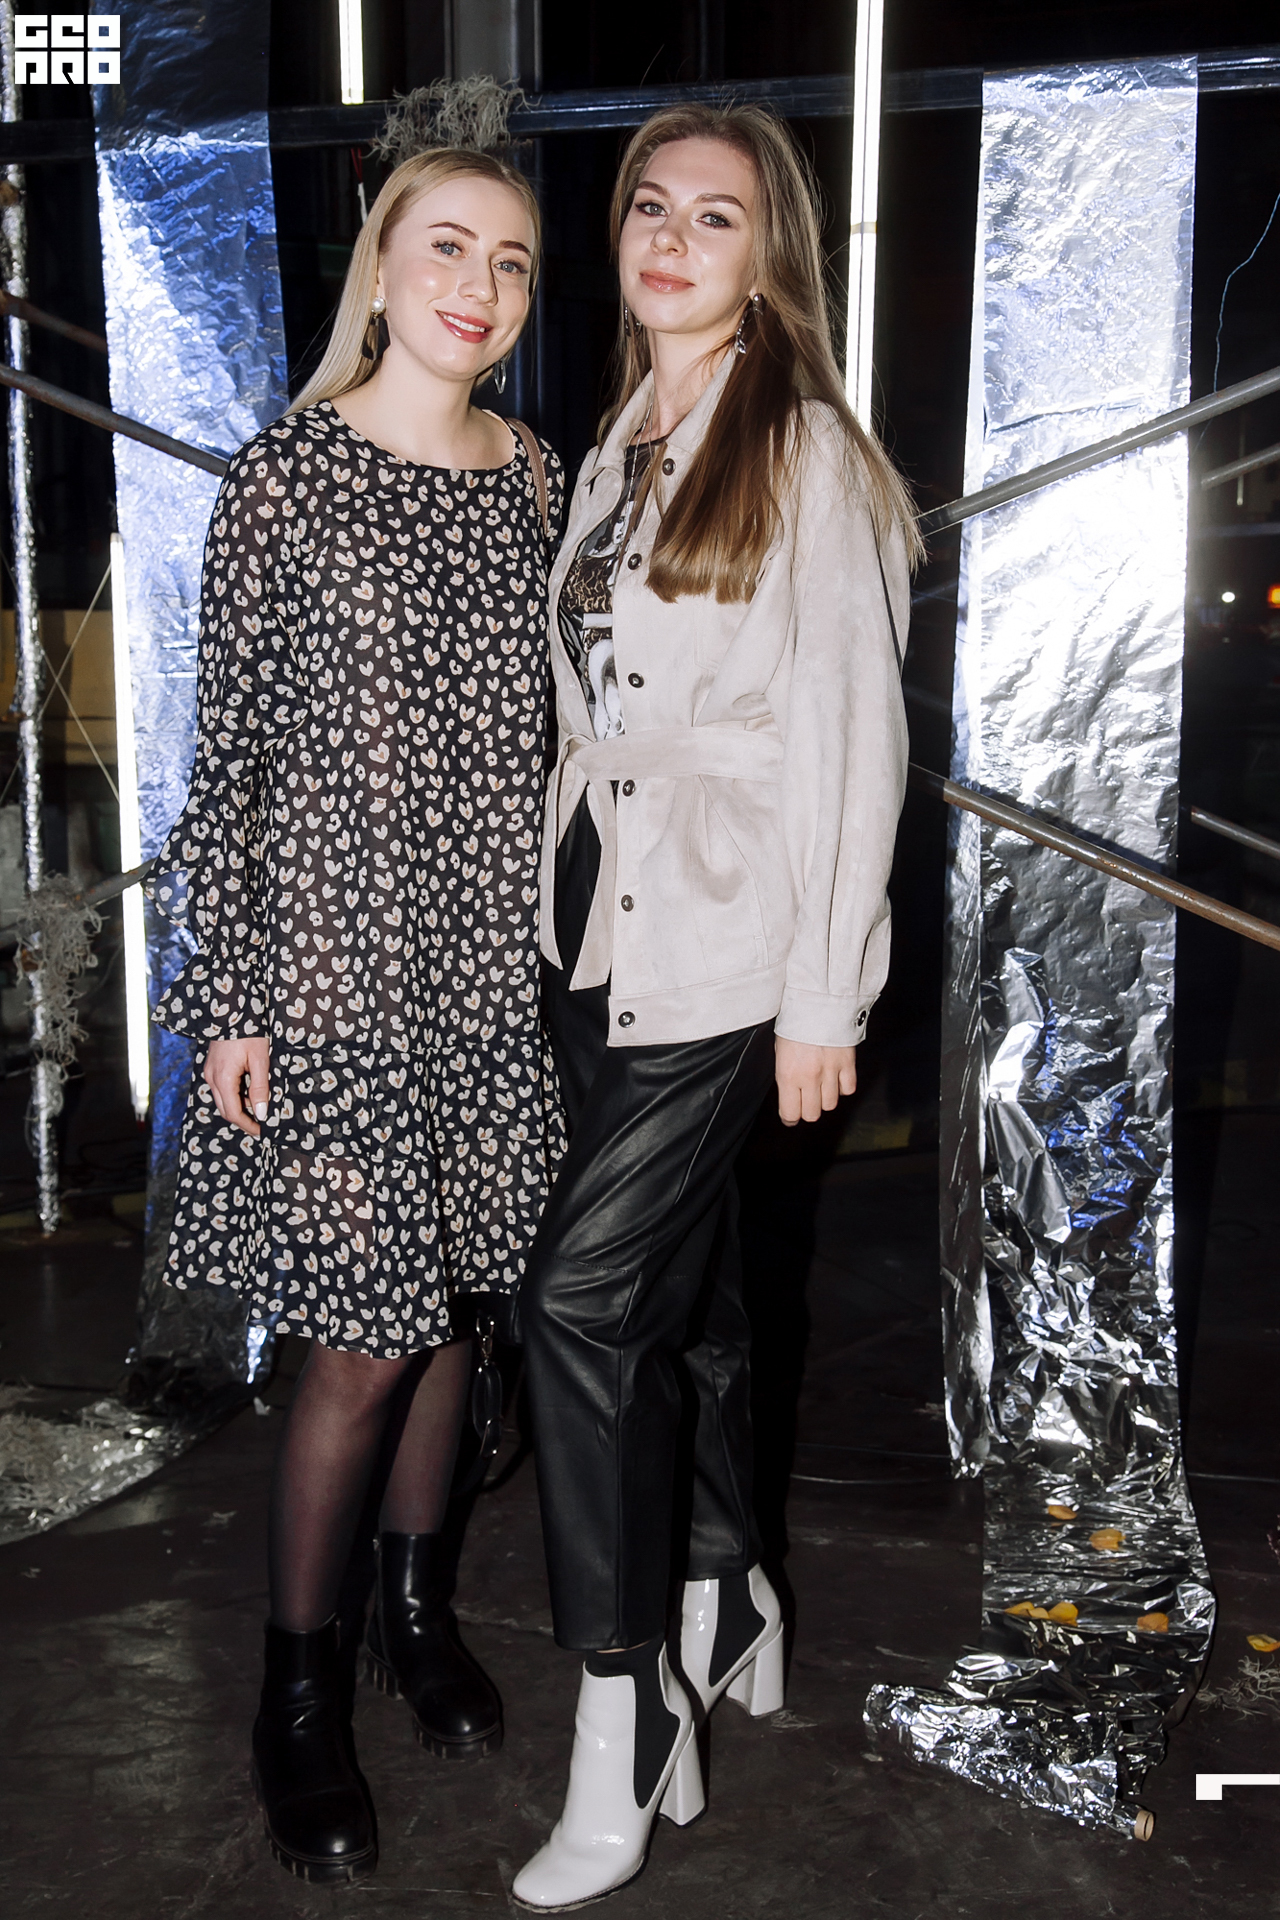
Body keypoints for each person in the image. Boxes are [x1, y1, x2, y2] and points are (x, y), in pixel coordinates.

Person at [511, 104, 919, 1910]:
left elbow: (855, 738)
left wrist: (827, 992)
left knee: (583, 1307)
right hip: (601, 921)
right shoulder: (613, 448)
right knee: (683, 1294)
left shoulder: (805, 446)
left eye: (716, 216)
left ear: (769, 256)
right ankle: (724, 1576)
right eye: (649, 209)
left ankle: (623, 1716)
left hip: (737, 933)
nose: (672, 240)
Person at [150, 145, 563, 1885]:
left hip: (483, 965)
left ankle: (415, 1611)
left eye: (514, 262)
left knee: (451, 1299)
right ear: (381, 268)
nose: (480, 286)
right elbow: (232, 758)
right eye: (448, 247)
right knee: (359, 1337)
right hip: (329, 972)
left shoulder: (536, 476)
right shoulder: (288, 474)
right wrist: (232, 997)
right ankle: (297, 1689)